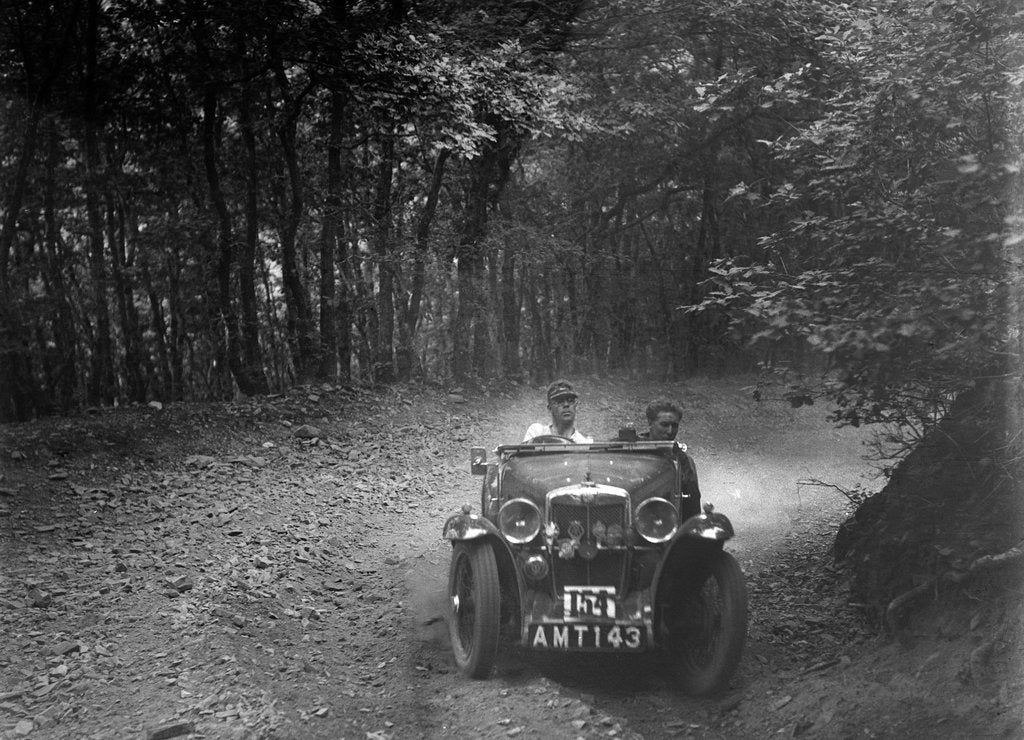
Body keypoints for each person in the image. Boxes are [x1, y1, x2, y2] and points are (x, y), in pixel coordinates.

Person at [641, 398, 702, 517]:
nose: (670, 431)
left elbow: (693, 503)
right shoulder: (626, 451)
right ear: (650, 422)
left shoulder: (683, 461)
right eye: (664, 425)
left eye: (674, 426)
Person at [523, 379, 594, 443]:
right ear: (549, 408)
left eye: (570, 401)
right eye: (559, 401)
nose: (566, 405)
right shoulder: (536, 433)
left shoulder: (583, 443)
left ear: (576, 406)